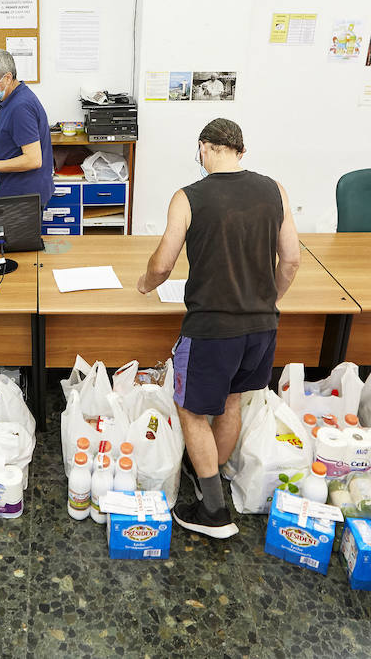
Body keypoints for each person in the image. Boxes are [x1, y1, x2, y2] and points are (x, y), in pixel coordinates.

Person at [136, 118, 300, 538]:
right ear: (240, 151)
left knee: (191, 411)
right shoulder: (275, 190)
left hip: (212, 329)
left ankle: (213, 511)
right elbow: (292, 260)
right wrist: (269, 302)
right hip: (262, 328)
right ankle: (210, 473)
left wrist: (144, 285)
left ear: (204, 148)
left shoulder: (188, 197)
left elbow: (162, 264)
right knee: (230, 403)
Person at [0, 49, 54, 209]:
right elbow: (17, 141)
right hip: (17, 190)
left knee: (22, 235)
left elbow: (33, 159)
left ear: (7, 77)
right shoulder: (9, 99)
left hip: (25, 194)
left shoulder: (20, 106)